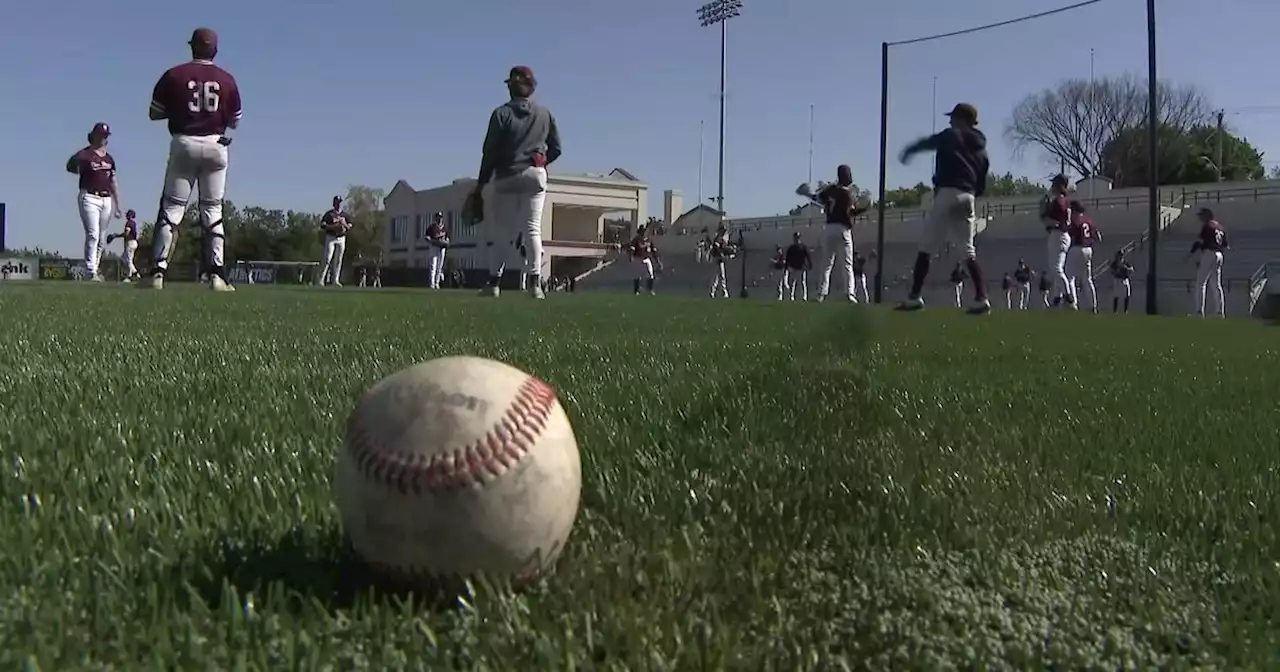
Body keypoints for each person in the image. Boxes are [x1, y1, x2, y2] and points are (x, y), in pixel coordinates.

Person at [140, 27, 242, 292]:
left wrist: (182, 109)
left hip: (184, 142)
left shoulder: (174, 74)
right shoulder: (227, 80)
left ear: (192, 47)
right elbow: (235, 121)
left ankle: (157, 272)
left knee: (172, 210)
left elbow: (154, 113)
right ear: (215, 50)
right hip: (216, 144)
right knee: (213, 210)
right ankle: (217, 276)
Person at [471, 65, 561, 299]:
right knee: (533, 229)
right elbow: (557, 148)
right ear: (531, 88)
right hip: (535, 172)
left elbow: (489, 153)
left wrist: (481, 185)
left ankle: (494, 283)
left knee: (503, 233)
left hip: (507, 175)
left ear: (510, 88)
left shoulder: (501, 114)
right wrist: (541, 162)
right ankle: (535, 285)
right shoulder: (545, 114)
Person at [895, 103, 991, 314]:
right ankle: (981, 297)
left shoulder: (951, 135)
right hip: (968, 196)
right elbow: (982, 183)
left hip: (947, 193)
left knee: (926, 247)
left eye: (953, 117)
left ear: (962, 119)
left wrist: (909, 150)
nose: (950, 121)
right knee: (967, 249)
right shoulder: (982, 150)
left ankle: (914, 297)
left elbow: (930, 142)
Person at [66, 122, 122, 282]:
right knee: (93, 234)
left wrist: (118, 205)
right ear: (94, 136)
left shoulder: (110, 159)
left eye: (106, 136)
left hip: (106, 199)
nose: (104, 138)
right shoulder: (85, 154)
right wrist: (79, 170)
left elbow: (113, 182)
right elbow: (70, 165)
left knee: (101, 237)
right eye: (102, 135)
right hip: (89, 197)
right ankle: (90, 270)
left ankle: (95, 269)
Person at [815, 165, 865, 303]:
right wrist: (864, 209)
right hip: (843, 229)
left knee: (826, 264)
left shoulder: (831, 190)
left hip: (829, 228)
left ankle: (821, 293)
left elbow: (819, 198)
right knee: (847, 264)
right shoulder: (849, 193)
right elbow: (851, 212)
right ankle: (849, 293)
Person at [1040, 174, 1074, 309]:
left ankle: (1069, 298)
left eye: (1055, 183)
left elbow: (1051, 220)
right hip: (1063, 235)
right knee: (1055, 269)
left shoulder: (1057, 201)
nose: (1052, 186)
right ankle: (1057, 298)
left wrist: (1045, 215)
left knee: (1056, 269)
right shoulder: (1066, 200)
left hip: (1058, 234)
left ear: (1060, 185)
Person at [1188, 207, 1229, 317]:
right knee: (1216, 285)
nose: (1200, 218)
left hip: (1209, 253)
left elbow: (1200, 242)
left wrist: (1192, 254)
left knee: (1201, 283)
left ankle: (1198, 311)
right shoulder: (1220, 227)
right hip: (1219, 254)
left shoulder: (1207, 226)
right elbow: (1226, 245)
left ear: (1207, 216)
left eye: (1202, 215)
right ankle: (1220, 312)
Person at [1066, 201, 1102, 312]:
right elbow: (1099, 237)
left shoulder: (1074, 221)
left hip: (1076, 248)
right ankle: (1093, 305)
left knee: (1069, 277)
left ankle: (1073, 304)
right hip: (1088, 249)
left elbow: (1069, 235)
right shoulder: (1089, 221)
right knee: (1087, 279)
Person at [318, 196, 349, 286]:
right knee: (327, 258)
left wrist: (344, 224)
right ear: (334, 203)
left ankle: (335, 280)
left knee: (339, 259)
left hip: (341, 238)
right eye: (336, 202)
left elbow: (349, 226)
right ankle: (321, 279)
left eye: (339, 202)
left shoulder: (345, 215)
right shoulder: (329, 214)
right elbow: (323, 225)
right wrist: (333, 226)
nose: (338, 204)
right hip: (331, 237)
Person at [105, 210, 141, 281]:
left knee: (128, 260)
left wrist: (116, 235)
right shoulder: (133, 223)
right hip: (133, 242)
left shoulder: (129, 223)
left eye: (127, 214)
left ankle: (129, 276)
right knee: (124, 259)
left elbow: (126, 233)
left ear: (130, 215)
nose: (126, 216)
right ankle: (136, 274)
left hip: (130, 243)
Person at [630, 223, 659, 295]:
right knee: (637, 275)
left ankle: (650, 289)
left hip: (646, 259)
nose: (645, 232)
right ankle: (636, 290)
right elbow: (632, 249)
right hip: (638, 258)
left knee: (650, 274)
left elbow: (654, 251)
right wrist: (631, 256)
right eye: (643, 231)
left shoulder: (649, 240)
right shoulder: (636, 239)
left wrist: (658, 261)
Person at [783, 232, 811, 301]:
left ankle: (804, 297)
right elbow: (787, 258)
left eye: (797, 237)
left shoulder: (803, 247)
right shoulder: (791, 248)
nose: (796, 239)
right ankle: (791, 297)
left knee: (802, 282)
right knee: (793, 282)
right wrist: (786, 267)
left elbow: (808, 256)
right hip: (793, 267)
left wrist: (810, 264)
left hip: (801, 267)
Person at [708, 224, 733, 299]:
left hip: (719, 258)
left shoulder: (721, 238)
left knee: (719, 276)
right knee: (720, 276)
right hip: (718, 259)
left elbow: (723, 248)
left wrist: (729, 251)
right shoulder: (719, 238)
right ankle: (719, 292)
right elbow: (716, 247)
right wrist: (721, 254)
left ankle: (715, 292)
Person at [426, 212, 450, 289]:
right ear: (436, 218)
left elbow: (448, 239)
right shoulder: (432, 227)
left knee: (440, 267)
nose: (440, 219)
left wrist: (445, 242)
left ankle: (437, 283)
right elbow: (427, 237)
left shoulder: (445, 228)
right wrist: (433, 241)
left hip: (442, 248)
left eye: (441, 217)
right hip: (434, 247)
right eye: (438, 217)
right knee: (433, 266)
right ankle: (432, 284)